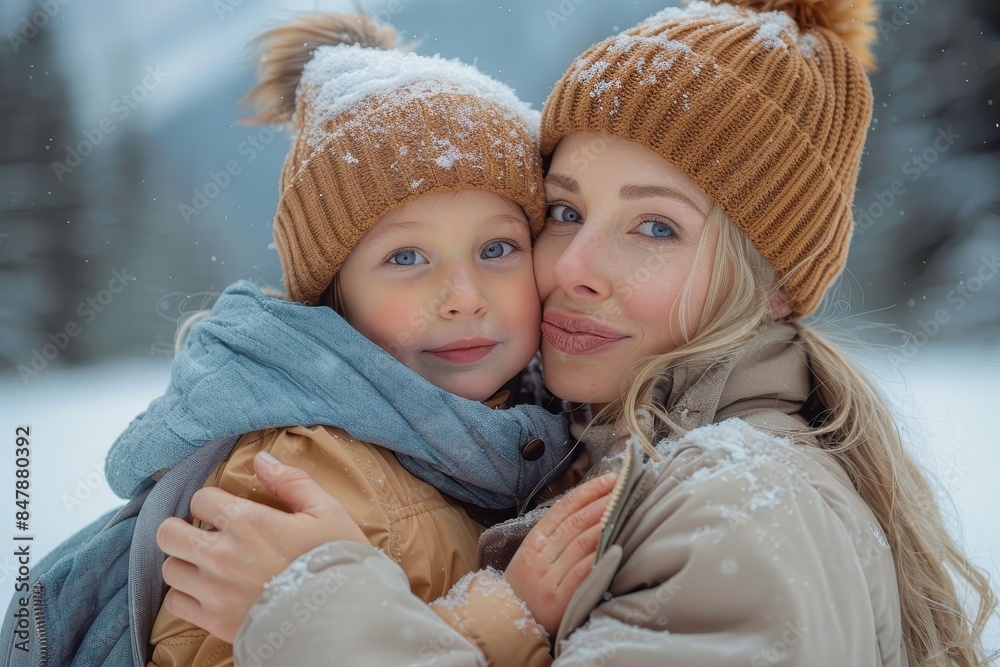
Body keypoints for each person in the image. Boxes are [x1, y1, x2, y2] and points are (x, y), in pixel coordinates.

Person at [157, 1, 998, 665]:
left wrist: (312, 609)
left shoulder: (737, 509)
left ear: (774, 286)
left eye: (657, 228)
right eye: (564, 211)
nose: (570, 267)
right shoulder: (567, 453)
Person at [135, 12, 594, 667]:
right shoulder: (295, 472)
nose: (464, 295)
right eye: (407, 257)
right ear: (333, 293)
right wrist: (496, 617)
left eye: (497, 247)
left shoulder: (550, 426)